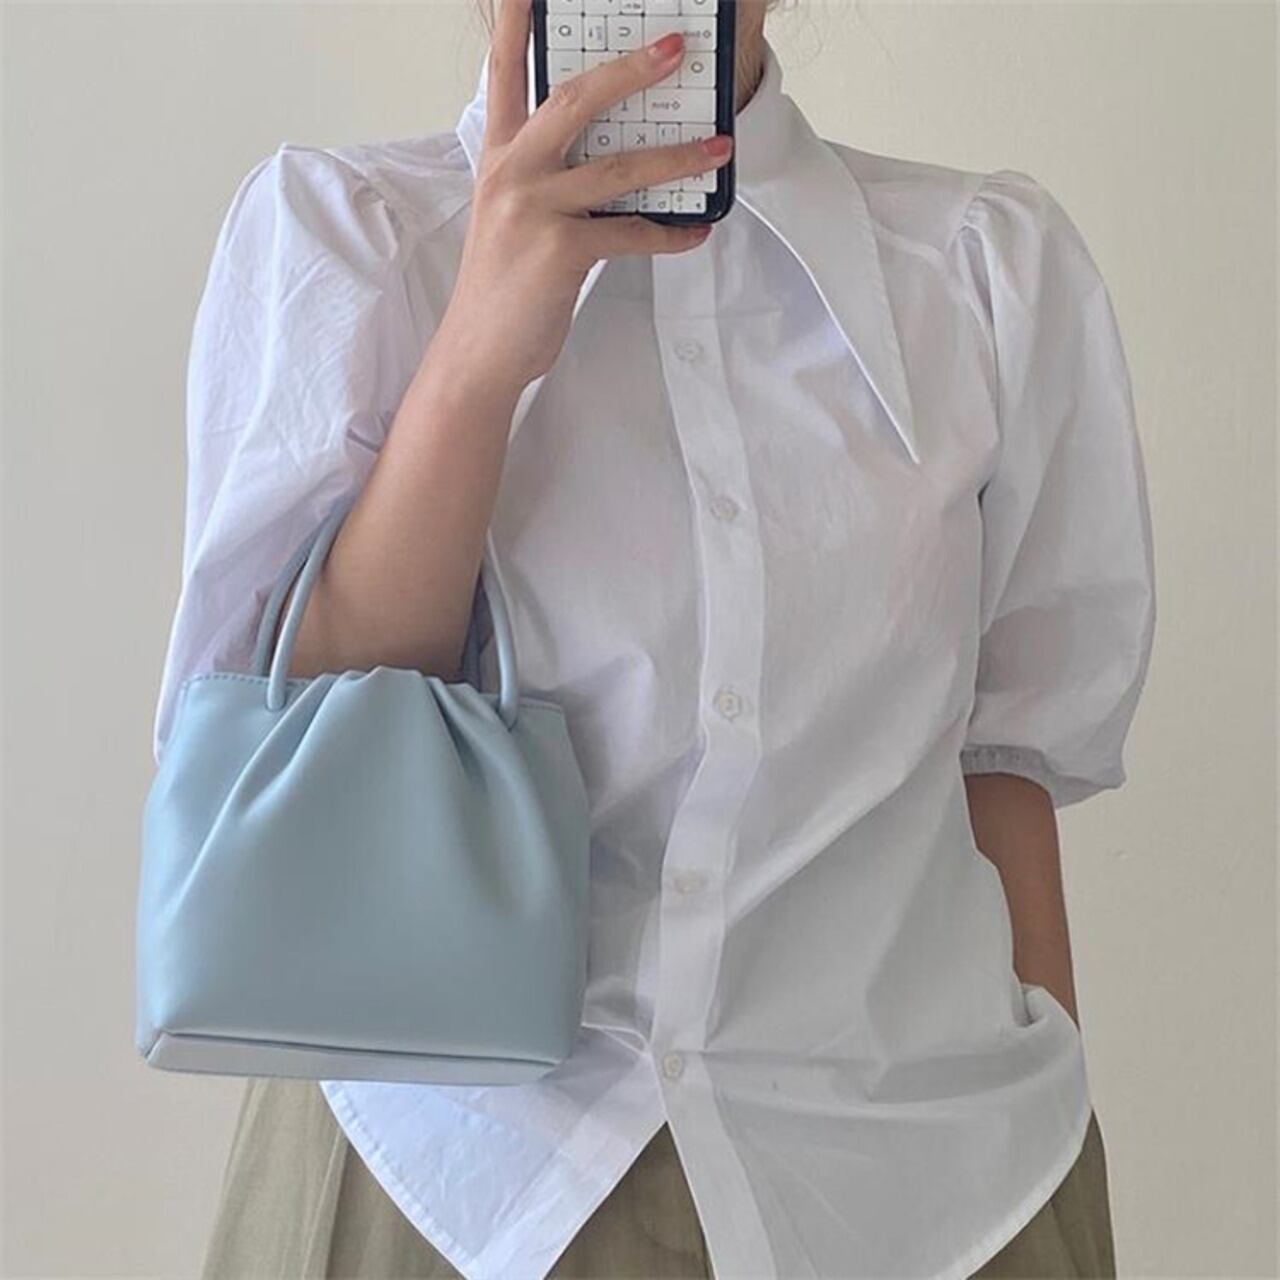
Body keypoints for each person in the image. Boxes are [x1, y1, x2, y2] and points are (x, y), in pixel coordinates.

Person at [154, 0, 1155, 1274]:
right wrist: (474, 359)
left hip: (928, 1187)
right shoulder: (348, 235)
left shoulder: (983, 270)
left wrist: (1047, 1128)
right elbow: (293, 749)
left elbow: (1003, 764)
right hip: (444, 1168)